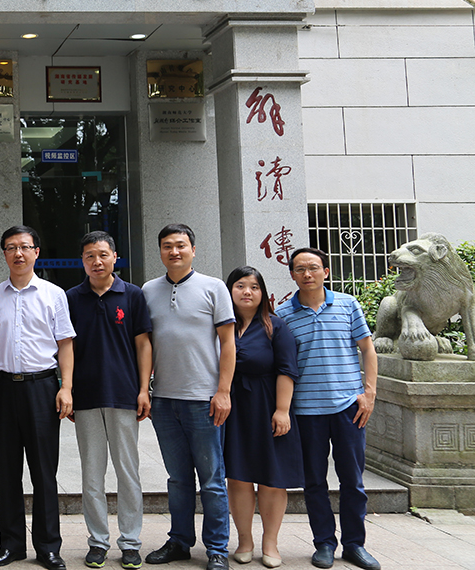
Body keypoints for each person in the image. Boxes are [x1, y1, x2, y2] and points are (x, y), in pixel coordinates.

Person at [0, 226, 74, 570]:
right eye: (11, 248)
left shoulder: (53, 294)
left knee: (44, 471)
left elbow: (65, 344)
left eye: (24, 247)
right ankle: (11, 544)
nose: (18, 253)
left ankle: (48, 547)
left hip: (42, 387)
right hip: (3, 388)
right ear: (4, 253)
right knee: (7, 470)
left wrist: (65, 387)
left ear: (36, 252)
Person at [276, 248, 380, 570]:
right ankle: (323, 543)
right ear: (292, 275)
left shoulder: (348, 304)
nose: (307, 274)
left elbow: (368, 349)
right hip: (306, 410)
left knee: (353, 480)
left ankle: (354, 544)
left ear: (326, 271)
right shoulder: (283, 315)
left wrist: (369, 393)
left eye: (313, 268)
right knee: (314, 482)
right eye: (300, 269)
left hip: (349, 407)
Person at [141, 224, 235, 570]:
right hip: (164, 401)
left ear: (193, 249)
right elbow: (144, 345)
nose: (174, 251)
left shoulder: (214, 287)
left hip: (204, 400)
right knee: (178, 479)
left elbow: (228, 343)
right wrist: (145, 389)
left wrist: (223, 391)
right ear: (160, 251)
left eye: (181, 245)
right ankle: (179, 541)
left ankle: (217, 548)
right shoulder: (148, 290)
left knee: (212, 480)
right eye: (167, 246)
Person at [65, 231, 152, 570]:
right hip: (86, 397)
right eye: (89, 256)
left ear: (115, 257)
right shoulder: (72, 298)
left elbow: (143, 344)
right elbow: (67, 348)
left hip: (124, 394)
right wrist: (68, 389)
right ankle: (98, 541)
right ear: (82, 261)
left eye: (103, 254)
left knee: (128, 472)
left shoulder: (132, 295)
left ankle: (130, 542)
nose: (96, 261)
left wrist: (144, 389)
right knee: (92, 474)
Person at [223, 266, 303, 569]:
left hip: (268, 406)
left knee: (272, 478)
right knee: (238, 476)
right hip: (233, 409)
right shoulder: (223, 325)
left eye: (254, 287)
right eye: (240, 286)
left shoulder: (275, 326)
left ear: (262, 293)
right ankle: (244, 540)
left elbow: (286, 370)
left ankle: (271, 542)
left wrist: (282, 410)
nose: (247, 292)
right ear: (229, 291)